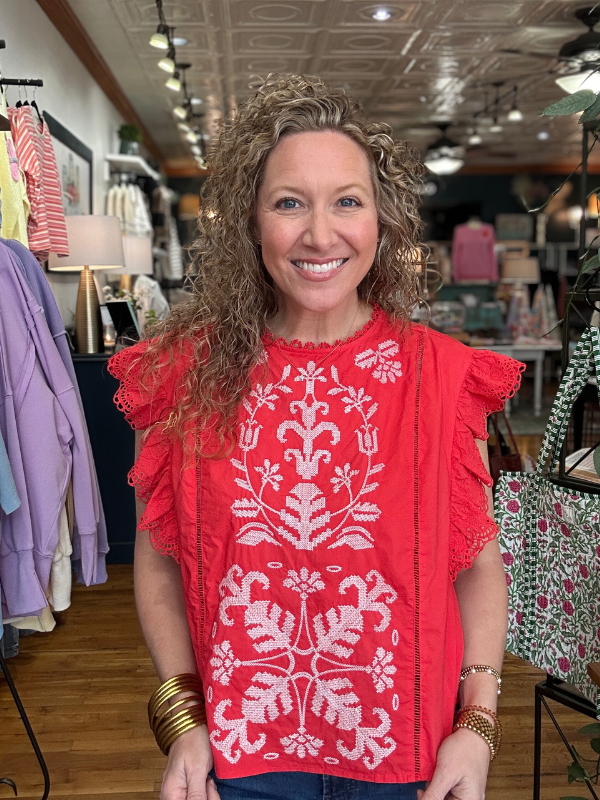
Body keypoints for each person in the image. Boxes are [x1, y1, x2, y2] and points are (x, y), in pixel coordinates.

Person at [109, 74, 524, 800]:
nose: (320, 234)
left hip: (413, 762)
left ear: (383, 221)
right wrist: (181, 719)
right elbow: (160, 563)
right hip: (243, 761)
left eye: (348, 202)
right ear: (251, 220)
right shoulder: (187, 376)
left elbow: (478, 566)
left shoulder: (443, 377)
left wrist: (479, 726)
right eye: (289, 202)